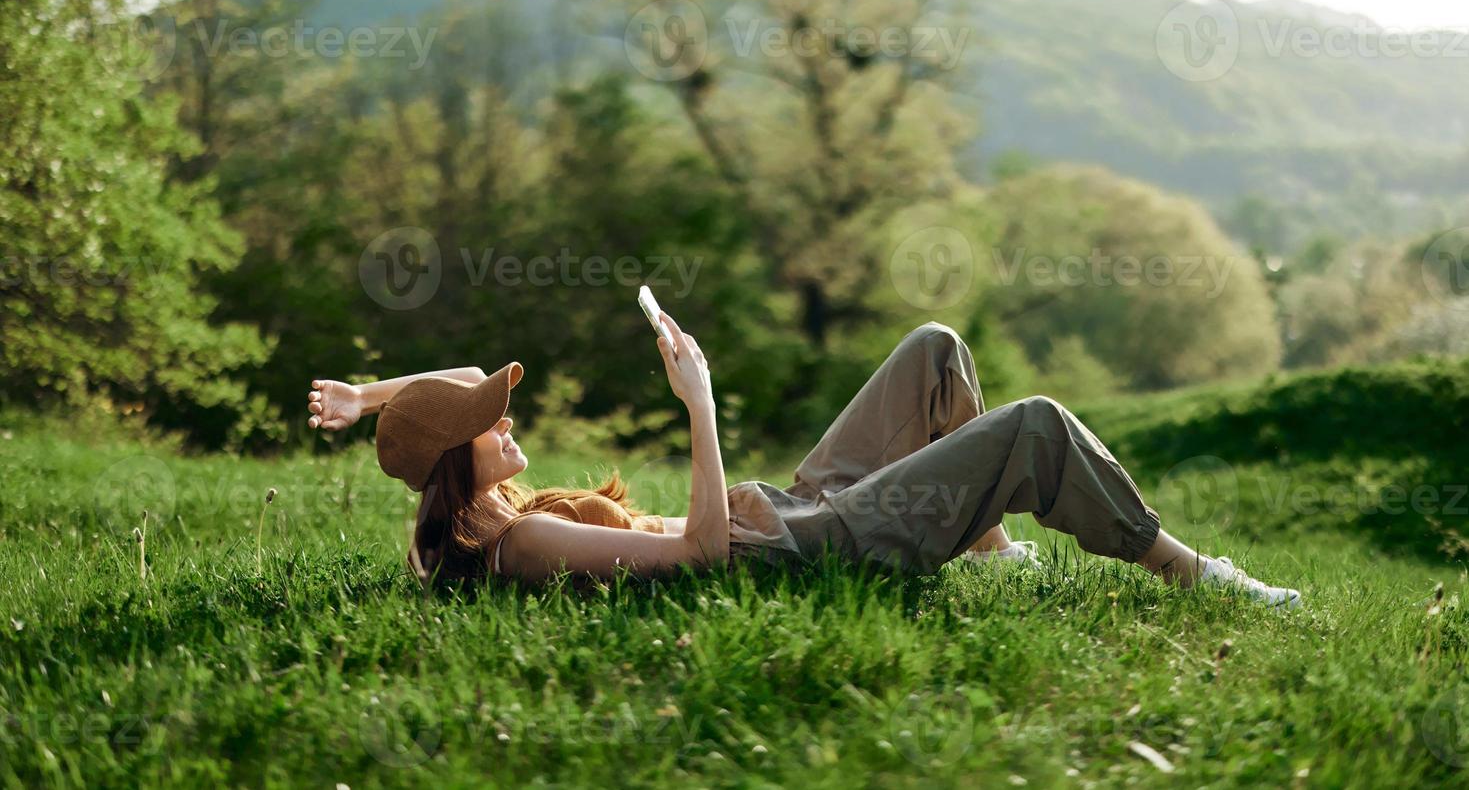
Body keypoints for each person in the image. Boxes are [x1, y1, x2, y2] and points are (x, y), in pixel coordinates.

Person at [307, 317, 1301, 608]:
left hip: (782, 508)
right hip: (797, 548)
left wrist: (369, 396)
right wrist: (698, 405)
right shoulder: (519, 537)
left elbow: (467, 372)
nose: (504, 412)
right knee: (1034, 423)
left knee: (933, 349)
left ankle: (986, 545)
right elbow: (700, 551)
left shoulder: (481, 499)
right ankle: (1197, 574)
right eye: (487, 420)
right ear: (456, 459)